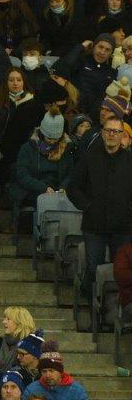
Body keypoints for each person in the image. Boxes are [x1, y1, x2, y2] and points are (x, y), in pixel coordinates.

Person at [68, 116, 132, 298]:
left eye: (116, 131)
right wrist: (86, 205)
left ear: (122, 135)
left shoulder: (130, 160)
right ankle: (91, 310)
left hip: (123, 227)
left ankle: (113, 312)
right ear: (102, 133)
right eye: (108, 130)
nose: (112, 134)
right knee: (92, 269)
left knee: (120, 272)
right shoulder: (88, 158)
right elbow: (74, 187)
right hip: (94, 225)